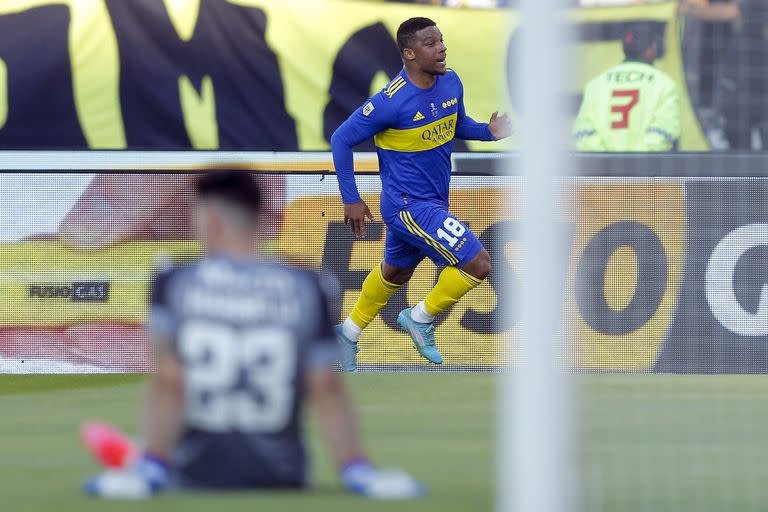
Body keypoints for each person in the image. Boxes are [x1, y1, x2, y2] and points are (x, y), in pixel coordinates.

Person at [82, 171, 423, 499]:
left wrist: (152, 468)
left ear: (211, 220)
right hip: (280, 476)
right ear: (260, 219)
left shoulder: (174, 281)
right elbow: (325, 388)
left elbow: (170, 382)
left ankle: (144, 458)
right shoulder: (306, 286)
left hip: (194, 475)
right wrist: (356, 469)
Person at [330, 17, 512, 371]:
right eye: (431, 43)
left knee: (395, 273)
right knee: (478, 264)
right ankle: (420, 318)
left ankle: (348, 334)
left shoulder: (451, 81)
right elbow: (341, 139)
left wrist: (488, 132)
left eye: (441, 40)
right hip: (409, 207)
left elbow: (456, 123)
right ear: (409, 53)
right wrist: (351, 198)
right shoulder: (390, 102)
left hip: (431, 202)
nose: (441, 48)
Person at [572, 23, 681, 152]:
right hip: (647, 169)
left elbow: (583, 134)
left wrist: (609, 162)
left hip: (604, 170)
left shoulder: (596, 84)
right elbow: (665, 133)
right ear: (652, 48)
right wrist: (634, 162)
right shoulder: (664, 84)